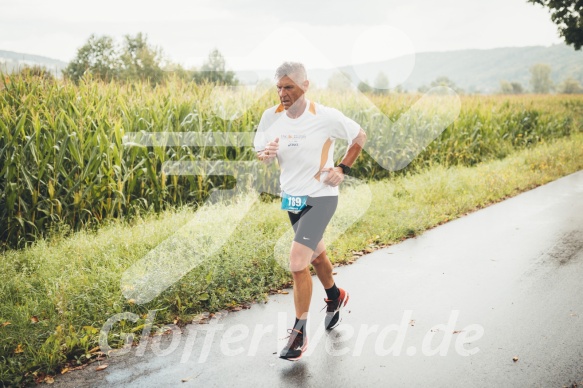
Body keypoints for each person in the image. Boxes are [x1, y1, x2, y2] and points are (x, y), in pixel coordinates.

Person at [254, 62, 366, 361]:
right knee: (316, 256)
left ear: (305, 85)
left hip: (321, 196)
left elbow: (359, 137)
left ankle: (298, 335)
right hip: (291, 198)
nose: (282, 93)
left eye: (288, 87)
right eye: (278, 87)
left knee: (296, 261)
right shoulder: (271, 117)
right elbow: (261, 150)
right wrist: (265, 154)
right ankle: (335, 296)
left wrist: (342, 168)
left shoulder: (325, 116)